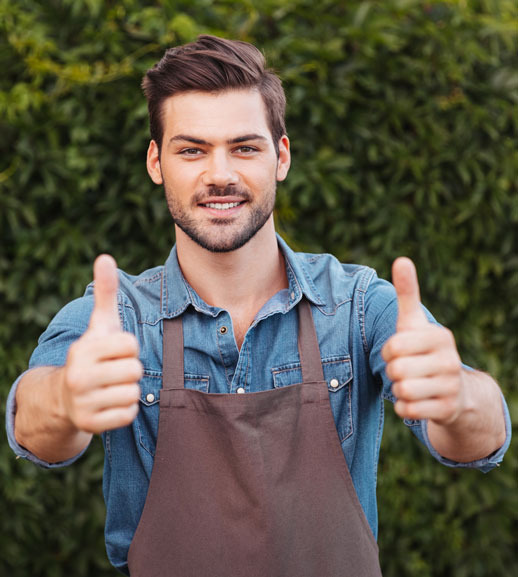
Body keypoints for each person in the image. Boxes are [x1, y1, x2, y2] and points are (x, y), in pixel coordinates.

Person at [6, 35, 511, 577]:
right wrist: (64, 397)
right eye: (191, 149)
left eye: (244, 147)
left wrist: (457, 397)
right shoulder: (119, 318)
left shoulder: (359, 306)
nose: (220, 174)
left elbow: (482, 436)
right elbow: (32, 422)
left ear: (281, 157)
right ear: (156, 162)